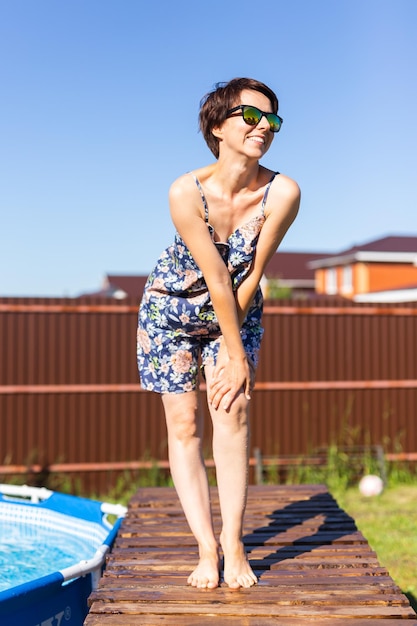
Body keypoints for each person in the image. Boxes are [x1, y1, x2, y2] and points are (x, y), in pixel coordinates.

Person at [137, 77, 300, 589]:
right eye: (250, 116)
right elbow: (213, 276)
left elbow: (250, 275)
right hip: (171, 313)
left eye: (271, 119)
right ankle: (206, 548)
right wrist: (233, 350)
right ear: (217, 127)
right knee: (184, 424)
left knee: (232, 411)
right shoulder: (185, 191)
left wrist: (234, 354)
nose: (263, 127)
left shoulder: (283, 192)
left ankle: (234, 543)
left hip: (239, 307)